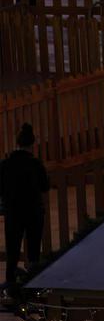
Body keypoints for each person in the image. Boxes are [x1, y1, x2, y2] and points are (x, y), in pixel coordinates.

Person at [0, 123, 48, 290]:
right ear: (32, 144)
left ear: (17, 143)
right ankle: (33, 281)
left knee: (12, 246)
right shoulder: (35, 164)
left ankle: (10, 280)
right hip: (34, 211)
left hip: (13, 212)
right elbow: (45, 186)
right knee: (34, 246)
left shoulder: (6, 164)